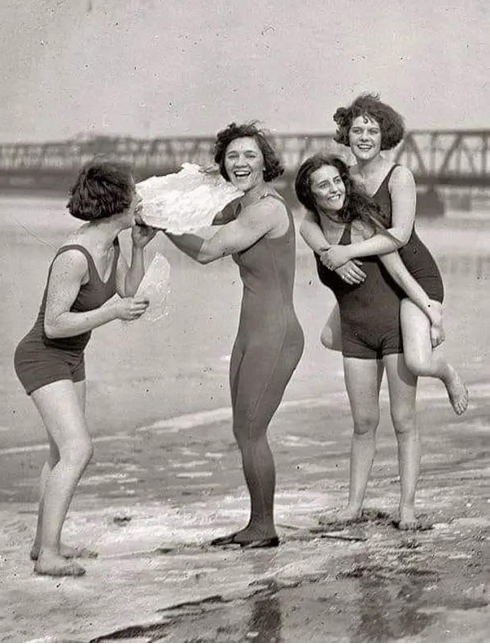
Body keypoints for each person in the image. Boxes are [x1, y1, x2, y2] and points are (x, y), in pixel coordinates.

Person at [164, 122, 304, 548]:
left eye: (250, 156)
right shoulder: (243, 204)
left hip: (275, 334)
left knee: (251, 429)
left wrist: (160, 224)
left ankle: (264, 527)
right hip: (251, 334)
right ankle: (257, 522)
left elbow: (207, 250)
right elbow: (203, 215)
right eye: (232, 157)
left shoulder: (266, 209)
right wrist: (194, 185)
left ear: (266, 162)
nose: (241, 163)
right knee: (243, 431)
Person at [14, 160, 157, 577]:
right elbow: (54, 325)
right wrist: (112, 311)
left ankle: (45, 544)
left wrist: (140, 248)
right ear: (117, 202)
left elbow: (127, 293)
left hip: (72, 356)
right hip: (43, 354)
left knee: (61, 452)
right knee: (79, 450)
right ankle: (50, 556)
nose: (141, 200)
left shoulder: (112, 244)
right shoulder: (74, 256)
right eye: (135, 193)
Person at [295, 153, 447, 530]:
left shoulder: (363, 225)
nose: (334, 189)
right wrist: (329, 256)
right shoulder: (311, 230)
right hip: (356, 334)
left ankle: (407, 508)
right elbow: (310, 233)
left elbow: (399, 270)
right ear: (310, 194)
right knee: (363, 423)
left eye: (337, 181)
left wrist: (430, 311)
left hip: (393, 326)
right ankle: (352, 506)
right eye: (323, 185)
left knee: (403, 421)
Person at [300, 93, 468, 415]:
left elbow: (399, 236)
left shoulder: (399, 176)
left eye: (372, 131)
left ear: (384, 136)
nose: (364, 138)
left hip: (414, 275)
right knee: (327, 338)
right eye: (358, 130)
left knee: (417, 361)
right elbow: (307, 224)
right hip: (379, 280)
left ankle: (446, 372)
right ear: (346, 134)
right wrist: (327, 252)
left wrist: (347, 251)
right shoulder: (343, 177)